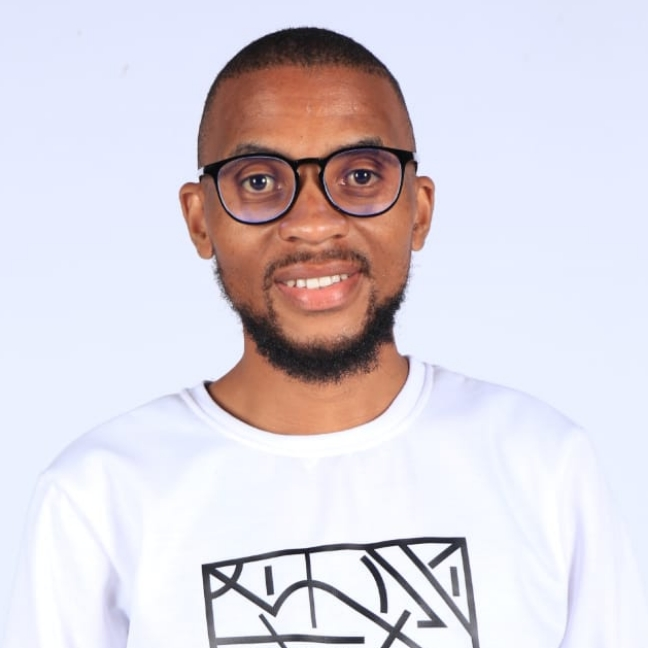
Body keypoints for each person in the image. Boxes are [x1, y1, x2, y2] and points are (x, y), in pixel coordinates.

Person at [3, 27, 647, 648]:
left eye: (360, 176)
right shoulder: (98, 497)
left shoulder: (544, 466)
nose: (313, 223)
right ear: (200, 221)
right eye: (259, 181)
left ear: (419, 210)